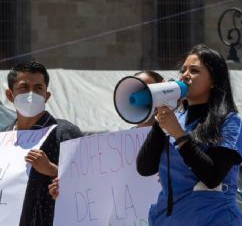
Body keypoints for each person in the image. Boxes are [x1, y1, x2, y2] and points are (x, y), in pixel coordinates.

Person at [136, 44, 242, 225]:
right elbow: (145, 168)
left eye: (194, 70)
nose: (185, 75)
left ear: (213, 80)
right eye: (183, 70)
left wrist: (179, 136)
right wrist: (159, 124)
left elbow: (212, 177)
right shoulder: (175, 119)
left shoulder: (229, 122)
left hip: (213, 220)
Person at [48, 70, 164, 199]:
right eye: (137, 90)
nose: (142, 96)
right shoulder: (117, 143)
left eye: (148, 90)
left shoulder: (176, 135)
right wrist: (67, 188)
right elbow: (99, 183)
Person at [2, 61, 83, 226]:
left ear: (46, 96)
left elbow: (89, 181)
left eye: (38, 88)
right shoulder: (3, 137)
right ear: (10, 95)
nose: (31, 94)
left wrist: (53, 170)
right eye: (24, 87)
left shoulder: (65, 132)